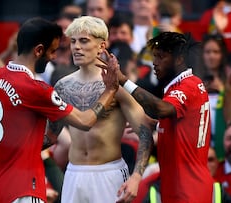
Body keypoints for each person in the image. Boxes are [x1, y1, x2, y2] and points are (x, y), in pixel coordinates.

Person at [0, 17, 120, 203]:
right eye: (52, 51)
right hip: (26, 189)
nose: (54, 57)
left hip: (0, 189)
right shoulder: (35, 89)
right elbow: (85, 121)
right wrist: (110, 90)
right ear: (39, 50)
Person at [104, 31, 215, 202]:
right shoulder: (184, 86)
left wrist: (123, 80)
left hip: (188, 188)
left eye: (161, 57)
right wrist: (157, 125)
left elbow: (161, 109)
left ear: (179, 60)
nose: (154, 63)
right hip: (179, 184)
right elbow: (184, 128)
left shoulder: (188, 86)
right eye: (154, 57)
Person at [55, 15, 155, 203]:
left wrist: (136, 177)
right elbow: (49, 137)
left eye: (84, 41)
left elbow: (145, 132)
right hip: (73, 173)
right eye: (73, 41)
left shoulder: (118, 86)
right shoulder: (62, 86)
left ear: (102, 46)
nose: (76, 47)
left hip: (108, 173)